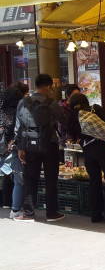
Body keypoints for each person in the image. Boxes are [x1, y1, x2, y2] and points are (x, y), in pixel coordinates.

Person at [67, 93, 105, 223]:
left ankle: (96, 215)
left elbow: (72, 136)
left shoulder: (73, 116)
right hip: (102, 148)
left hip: (88, 151)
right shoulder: (94, 109)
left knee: (94, 181)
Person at [15, 74, 65, 222]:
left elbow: (19, 126)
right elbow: (63, 120)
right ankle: (52, 213)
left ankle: (29, 213)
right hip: (50, 144)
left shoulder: (23, 102)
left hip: (30, 145)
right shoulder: (52, 103)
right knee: (51, 179)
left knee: (30, 179)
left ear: (35, 85)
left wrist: (20, 147)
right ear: (48, 86)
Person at [1, 82, 28, 217]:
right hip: (16, 148)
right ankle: (16, 209)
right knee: (19, 179)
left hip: (6, 148)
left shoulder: (3, 112)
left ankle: (14, 206)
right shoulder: (17, 113)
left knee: (13, 177)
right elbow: (18, 132)